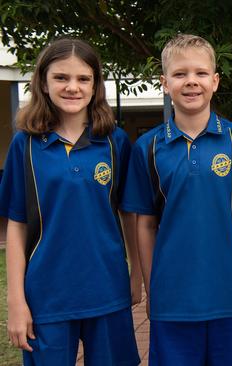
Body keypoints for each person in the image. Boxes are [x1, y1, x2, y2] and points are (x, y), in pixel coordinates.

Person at [121, 34, 232, 365]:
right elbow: (145, 224)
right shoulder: (148, 148)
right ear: (164, 83)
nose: (191, 81)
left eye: (201, 73)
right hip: (173, 298)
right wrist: (150, 285)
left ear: (215, 82)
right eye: (180, 74)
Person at [0, 38, 141, 366]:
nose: (72, 87)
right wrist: (16, 302)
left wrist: (135, 276)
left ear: (95, 86)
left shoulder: (115, 142)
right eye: (61, 77)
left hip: (107, 290)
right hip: (46, 296)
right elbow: (17, 228)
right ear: (43, 84)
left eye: (83, 79)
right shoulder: (26, 145)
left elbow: (129, 215)